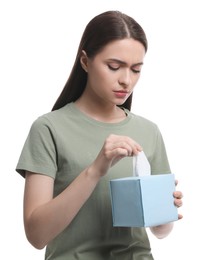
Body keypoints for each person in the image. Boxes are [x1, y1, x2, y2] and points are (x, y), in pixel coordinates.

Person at [16, 10, 183, 260]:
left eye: (136, 69)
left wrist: (164, 212)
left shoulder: (149, 131)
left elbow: (161, 231)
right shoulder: (48, 129)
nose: (126, 80)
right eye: (114, 67)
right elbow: (37, 236)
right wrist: (95, 170)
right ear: (85, 61)